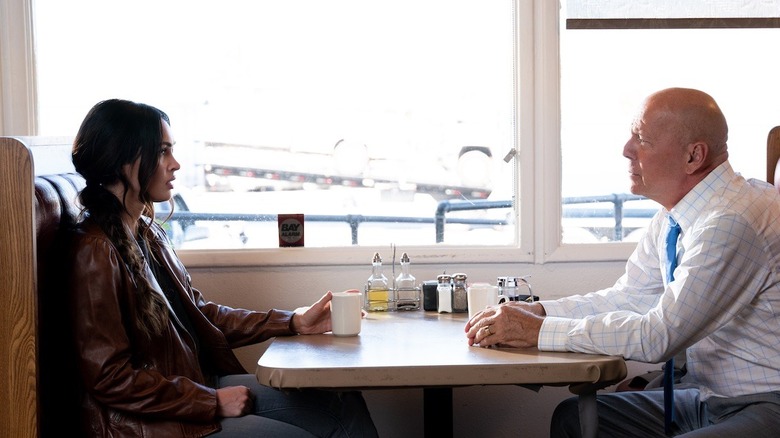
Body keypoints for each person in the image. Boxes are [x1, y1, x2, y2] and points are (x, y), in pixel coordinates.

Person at [465, 88, 780, 437]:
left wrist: (537, 332)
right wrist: (539, 313)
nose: (627, 149)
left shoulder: (730, 221)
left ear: (693, 156)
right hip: (709, 399)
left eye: (641, 138)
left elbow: (659, 337)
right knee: (574, 417)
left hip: (765, 403)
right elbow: (628, 297)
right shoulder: (678, 214)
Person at [67, 98, 379, 437]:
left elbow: (203, 315)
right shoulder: (96, 251)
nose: (176, 164)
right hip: (148, 423)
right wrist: (210, 401)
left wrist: (293, 321)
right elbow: (110, 378)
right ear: (123, 160)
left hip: (193, 386)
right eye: (162, 152)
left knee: (343, 402)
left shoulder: (145, 232)